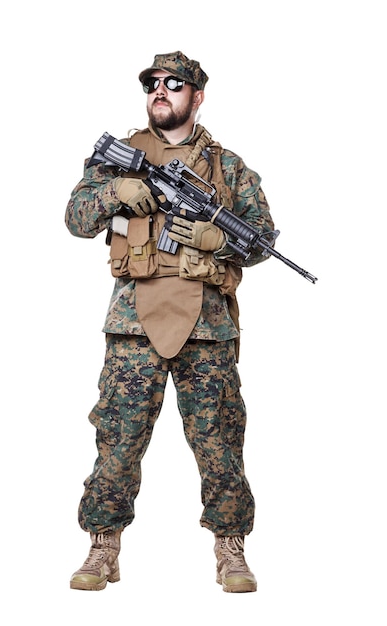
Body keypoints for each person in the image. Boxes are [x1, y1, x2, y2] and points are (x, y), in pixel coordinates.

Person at [65, 51, 275, 593]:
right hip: (134, 325)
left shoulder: (227, 169)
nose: (161, 90)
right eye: (153, 83)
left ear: (197, 95)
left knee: (221, 440)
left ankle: (231, 548)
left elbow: (261, 242)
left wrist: (216, 239)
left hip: (207, 328)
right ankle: (102, 546)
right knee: (118, 438)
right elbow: (76, 218)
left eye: (174, 84)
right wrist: (117, 191)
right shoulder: (124, 156)